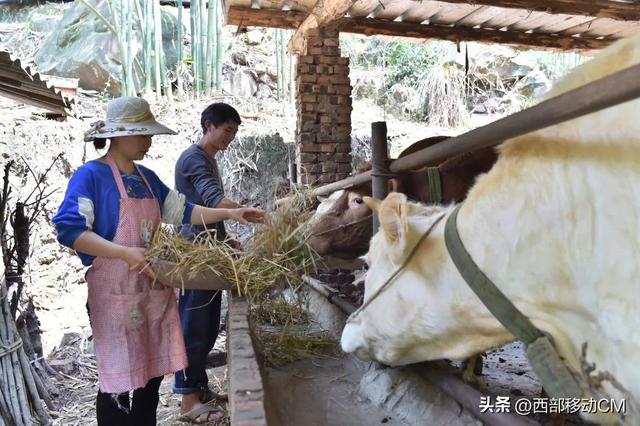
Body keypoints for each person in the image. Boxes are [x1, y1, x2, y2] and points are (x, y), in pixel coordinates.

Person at [52, 96, 264, 426]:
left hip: (152, 289)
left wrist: (231, 212)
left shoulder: (147, 178)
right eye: (143, 134)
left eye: (150, 134)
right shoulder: (91, 176)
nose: (149, 142)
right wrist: (123, 252)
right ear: (119, 134)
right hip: (116, 294)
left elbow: (184, 211)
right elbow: (69, 229)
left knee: (150, 378)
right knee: (118, 382)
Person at [172, 102, 243, 423]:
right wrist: (244, 211)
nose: (230, 137)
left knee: (208, 324)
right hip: (196, 255)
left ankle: (199, 389)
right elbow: (213, 199)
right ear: (208, 125)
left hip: (209, 251)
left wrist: (225, 237)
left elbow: (209, 212)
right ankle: (188, 402)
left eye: (234, 132)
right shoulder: (194, 159)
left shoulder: (207, 160)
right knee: (194, 327)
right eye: (227, 130)